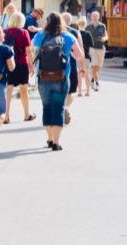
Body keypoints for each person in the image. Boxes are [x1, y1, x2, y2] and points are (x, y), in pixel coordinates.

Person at [31, 12, 85, 151]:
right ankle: (56, 142)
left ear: (47, 22)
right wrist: (68, 54)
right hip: (62, 77)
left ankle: (49, 138)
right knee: (58, 108)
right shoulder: (68, 36)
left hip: (43, 77)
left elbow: (31, 51)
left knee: (47, 107)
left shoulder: (40, 36)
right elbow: (80, 56)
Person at [3, 11, 34, 124]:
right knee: (24, 90)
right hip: (21, 63)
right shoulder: (24, 32)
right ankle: (26, 115)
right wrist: (32, 65)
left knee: (9, 90)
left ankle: (6, 116)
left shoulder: (4, 32)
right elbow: (28, 51)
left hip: (8, 64)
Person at [61, 13, 81, 123]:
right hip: (71, 64)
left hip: (53, 67)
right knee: (72, 90)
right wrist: (82, 67)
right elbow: (81, 52)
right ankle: (66, 107)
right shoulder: (74, 32)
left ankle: (59, 108)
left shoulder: (51, 32)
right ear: (70, 21)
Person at [86, 10, 108, 91]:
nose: (95, 18)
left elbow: (106, 35)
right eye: (93, 16)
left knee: (99, 66)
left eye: (96, 16)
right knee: (94, 65)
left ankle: (93, 79)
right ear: (91, 17)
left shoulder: (102, 26)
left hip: (101, 48)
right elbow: (85, 37)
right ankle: (97, 84)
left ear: (98, 17)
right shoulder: (88, 27)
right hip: (92, 48)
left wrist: (104, 39)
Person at [76, 16, 93, 96]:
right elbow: (91, 47)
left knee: (79, 74)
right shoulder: (88, 34)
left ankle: (79, 92)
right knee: (86, 74)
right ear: (85, 25)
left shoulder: (76, 33)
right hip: (86, 56)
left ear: (78, 24)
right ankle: (88, 91)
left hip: (77, 56)